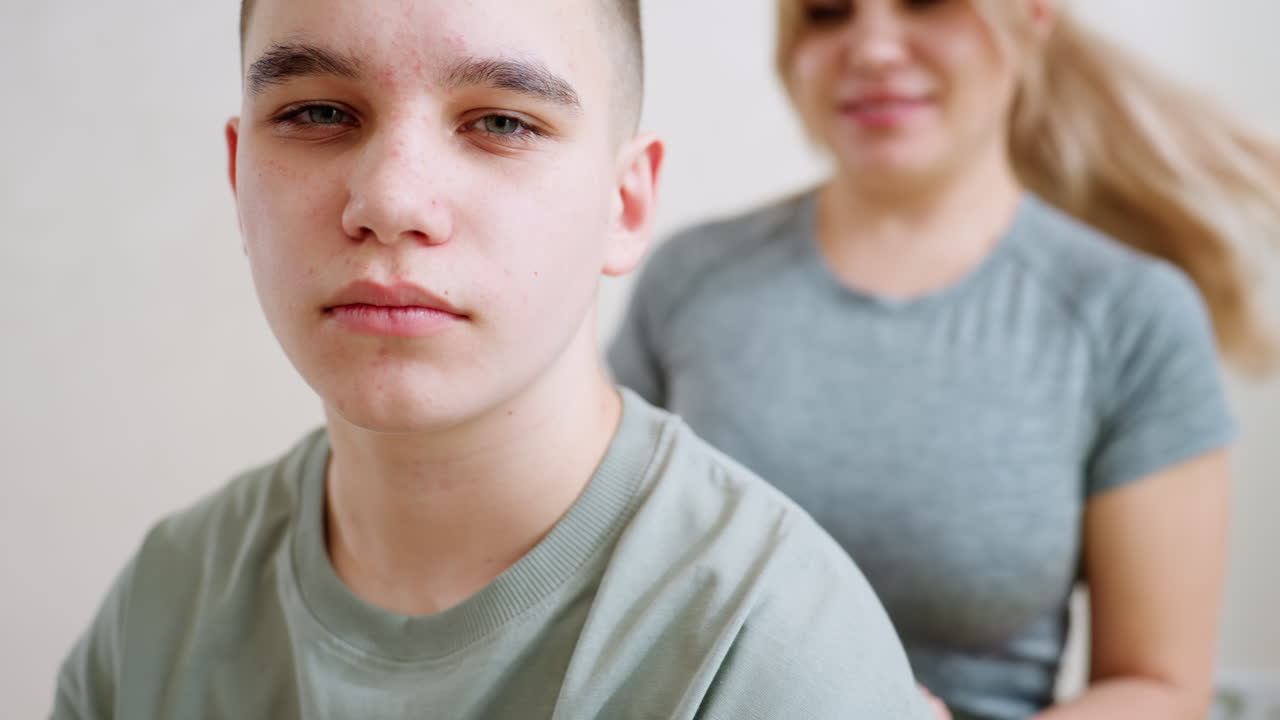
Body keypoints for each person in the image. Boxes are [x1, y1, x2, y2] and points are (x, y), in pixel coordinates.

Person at [50, 0, 936, 718]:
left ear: (625, 206)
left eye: (502, 122)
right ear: (240, 177)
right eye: (318, 112)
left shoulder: (767, 650)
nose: (391, 199)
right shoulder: (159, 612)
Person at [609, 1, 1280, 719]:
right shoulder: (687, 281)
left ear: (1031, 17)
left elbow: (1162, 690)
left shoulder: (1130, 316)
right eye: (827, 13)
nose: (870, 48)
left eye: (925, 0)